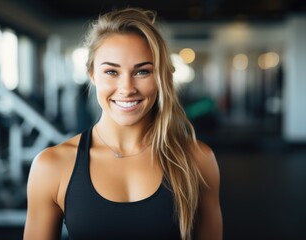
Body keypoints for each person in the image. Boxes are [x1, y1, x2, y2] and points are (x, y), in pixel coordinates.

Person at [24, 7, 222, 240]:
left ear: (160, 77)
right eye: (111, 71)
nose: (127, 89)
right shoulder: (51, 166)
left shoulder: (198, 160)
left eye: (142, 72)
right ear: (92, 74)